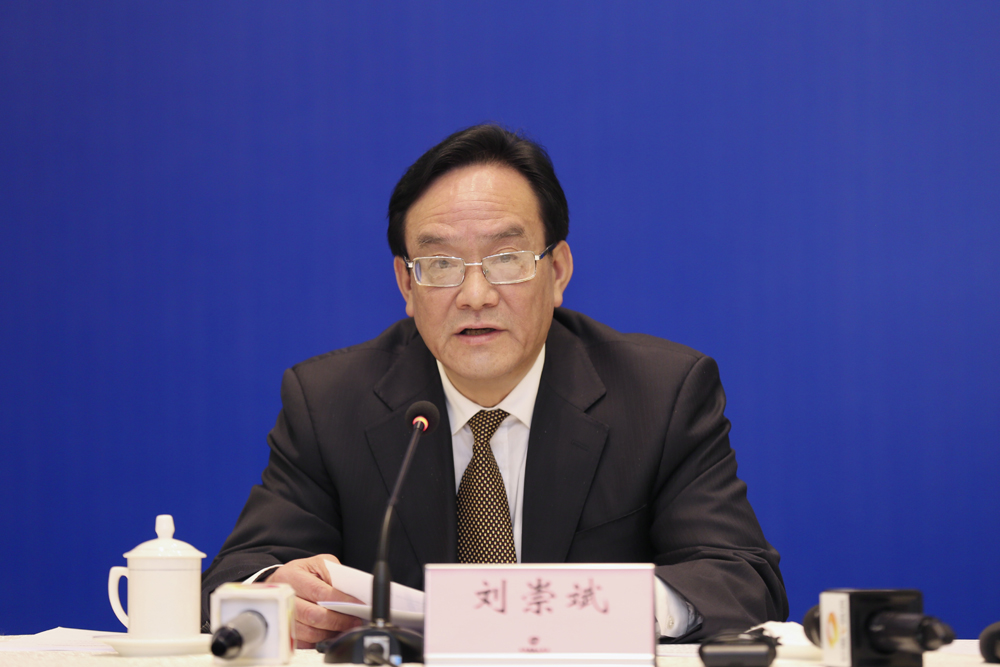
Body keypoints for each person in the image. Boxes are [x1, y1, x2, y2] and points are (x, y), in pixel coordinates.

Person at [201, 124, 788, 645]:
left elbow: (741, 579)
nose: (475, 295)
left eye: (506, 259)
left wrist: (603, 609)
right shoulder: (330, 401)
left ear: (557, 272)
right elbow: (236, 575)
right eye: (441, 265)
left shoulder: (660, 394)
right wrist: (276, 591)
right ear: (406, 285)